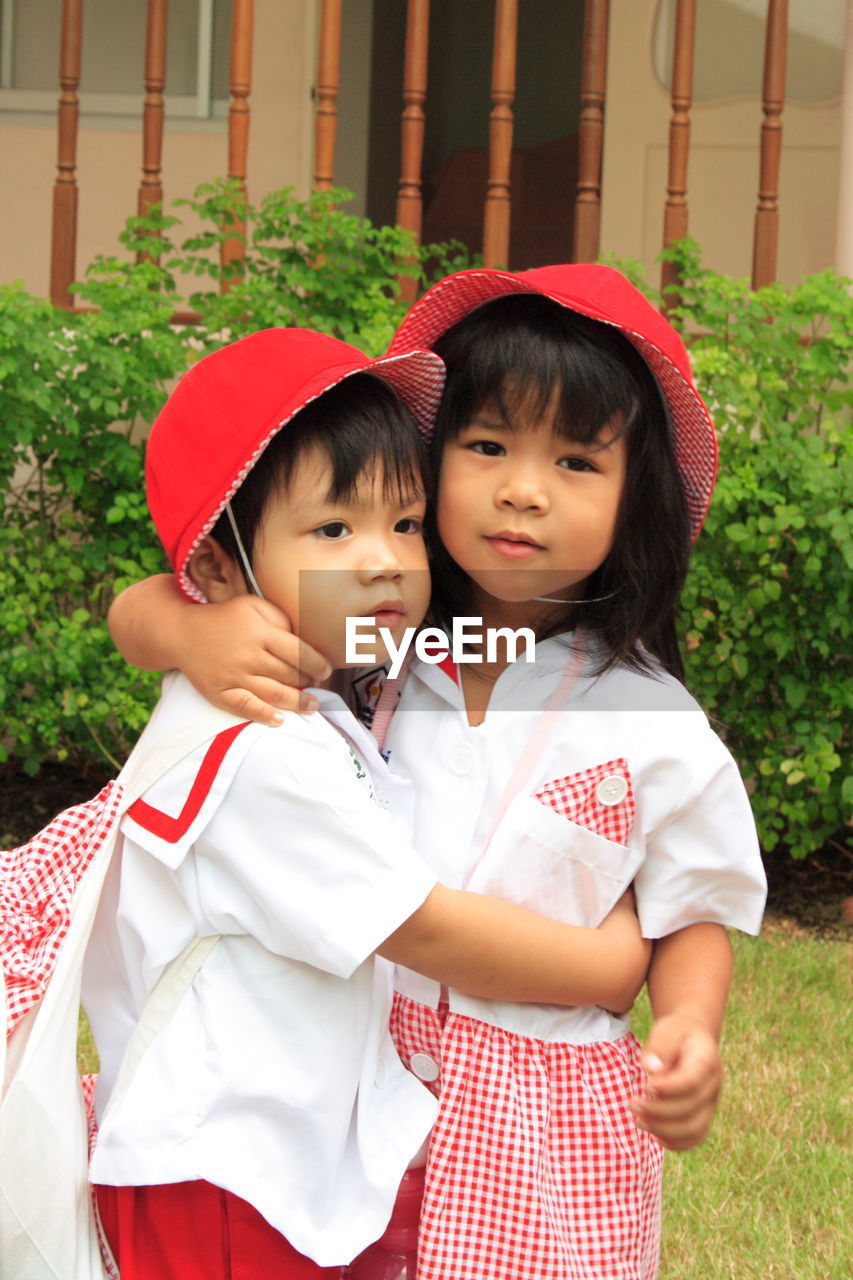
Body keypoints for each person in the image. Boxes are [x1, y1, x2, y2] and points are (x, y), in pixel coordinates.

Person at [107, 269, 767, 1279]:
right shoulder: (395, 641)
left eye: (577, 460)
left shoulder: (653, 718)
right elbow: (157, 593)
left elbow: (691, 905)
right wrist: (189, 630)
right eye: (487, 444)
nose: (523, 488)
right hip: (364, 1087)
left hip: (539, 1121)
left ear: (639, 494)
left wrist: (686, 1020)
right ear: (429, 462)